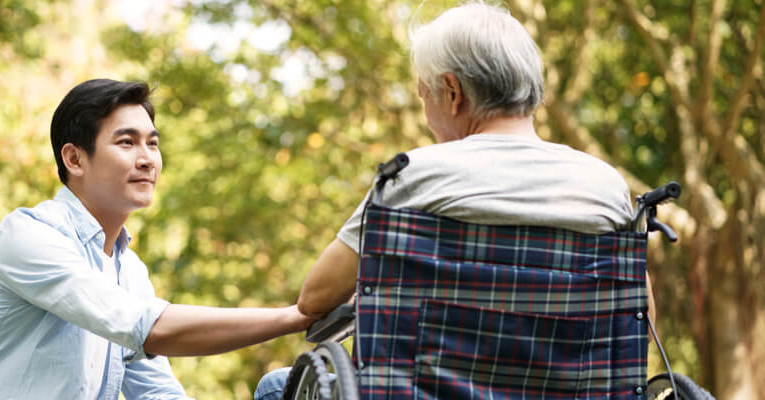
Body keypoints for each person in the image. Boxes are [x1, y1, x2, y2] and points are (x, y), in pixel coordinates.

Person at [254, 1, 656, 399]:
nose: (427, 114)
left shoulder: (412, 177)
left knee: (277, 387)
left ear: (451, 91)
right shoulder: (606, 187)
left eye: (423, 95)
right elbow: (642, 321)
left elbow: (315, 299)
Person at [0, 79, 314, 399]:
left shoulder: (128, 271)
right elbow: (148, 328)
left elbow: (158, 394)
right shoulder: (28, 237)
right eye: (127, 143)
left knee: (276, 390)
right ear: (74, 159)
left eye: (153, 143)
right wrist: (293, 317)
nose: (147, 159)